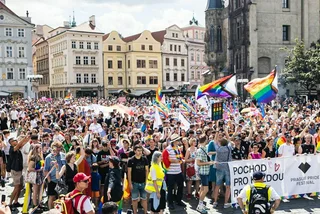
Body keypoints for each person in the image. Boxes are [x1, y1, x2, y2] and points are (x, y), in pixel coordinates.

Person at [162, 134, 186, 210]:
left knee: (181, 186)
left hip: (178, 171)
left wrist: (181, 160)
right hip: (170, 172)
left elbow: (180, 157)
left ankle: (178, 200)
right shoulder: (167, 149)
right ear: (174, 141)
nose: (179, 141)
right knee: (170, 188)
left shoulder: (178, 148)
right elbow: (165, 160)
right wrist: (173, 160)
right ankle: (170, 202)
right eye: (178, 140)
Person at [8, 135, 30, 210]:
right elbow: (19, 145)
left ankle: (16, 202)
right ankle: (10, 203)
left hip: (19, 170)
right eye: (14, 140)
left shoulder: (17, 148)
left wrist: (28, 138)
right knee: (16, 187)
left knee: (20, 187)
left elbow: (22, 143)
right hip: (15, 171)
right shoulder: (12, 149)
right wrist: (24, 138)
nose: (16, 141)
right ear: (11, 143)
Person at [196, 134, 215, 213]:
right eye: (207, 139)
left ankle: (201, 205)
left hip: (206, 171)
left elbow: (209, 153)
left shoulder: (205, 148)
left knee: (202, 189)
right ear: (205, 140)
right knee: (206, 190)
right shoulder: (200, 150)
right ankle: (200, 205)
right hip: (203, 172)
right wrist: (209, 162)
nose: (208, 140)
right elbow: (198, 163)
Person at [44, 141, 66, 209]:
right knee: (51, 196)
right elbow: (46, 170)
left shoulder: (63, 155)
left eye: (60, 147)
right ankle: (51, 210)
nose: (58, 149)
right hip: (52, 180)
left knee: (61, 197)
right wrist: (49, 180)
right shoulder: (48, 157)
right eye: (57, 147)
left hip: (61, 180)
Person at [128, 145, 149, 214]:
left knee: (144, 199)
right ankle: (135, 212)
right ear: (134, 151)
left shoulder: (145, 159)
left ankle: (145, 212)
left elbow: (147, 170)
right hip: (134, 183)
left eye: (141, 150)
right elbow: (129, 172)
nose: (140, 152)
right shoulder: (131, 160)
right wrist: (130, 183)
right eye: (138, 150)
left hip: (143, 182)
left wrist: (147, 181)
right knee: (134, 199)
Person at [27, 144, 45, 212]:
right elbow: (30, 168)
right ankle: (35, 205)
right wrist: (38, 170)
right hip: (35, 176)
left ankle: (38, 204)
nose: (41, 149)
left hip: (39, 175)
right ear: (36, 149)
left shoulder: (39, 156)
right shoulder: (33, 157)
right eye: (39, 148)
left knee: (39, 191)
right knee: (35, 191)